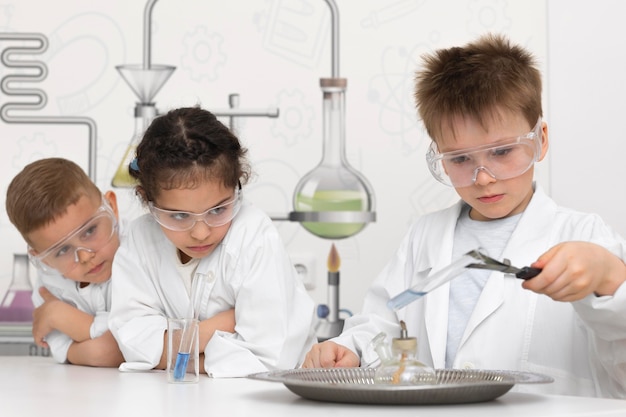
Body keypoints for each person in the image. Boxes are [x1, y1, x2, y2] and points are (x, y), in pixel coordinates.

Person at [302, 33, 626, 398]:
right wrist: (350, 352)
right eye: (459, 160)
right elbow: (383, 324)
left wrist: (609, 277)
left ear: (541, 140)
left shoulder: (585, 235)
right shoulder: (424, 237)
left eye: (502, 152)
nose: (484, 178)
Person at [108, 106, 318, 377]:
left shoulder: (254, 235)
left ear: (237, 186)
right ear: (148, 202)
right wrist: (219, 327)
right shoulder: (140, 239)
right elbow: (134, 343)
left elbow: (269, 359)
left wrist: (183, 358)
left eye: (218, 210)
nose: (201, 233)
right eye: (180, 215)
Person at [5, 157, 125, 367]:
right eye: (63, 250)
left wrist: (63, 317)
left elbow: (130, 341)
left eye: (89, 231)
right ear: (42, 258)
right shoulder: (49, 285)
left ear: (112, 207)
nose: (85, 256)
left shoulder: (140, 253)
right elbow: (62, 347)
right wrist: (91, 350)